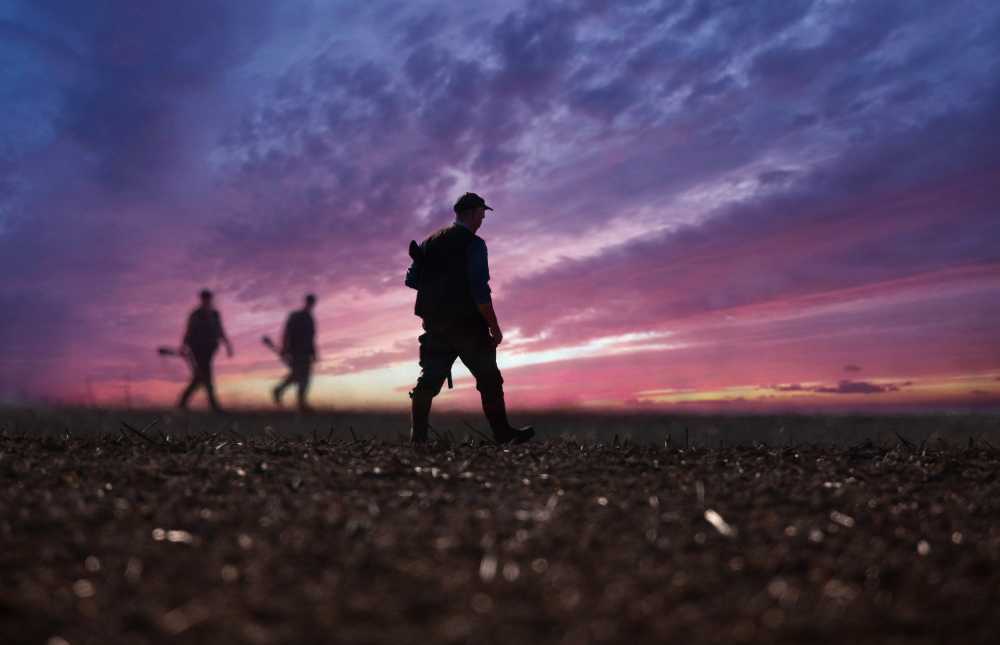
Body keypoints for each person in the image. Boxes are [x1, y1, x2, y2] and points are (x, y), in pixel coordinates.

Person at [405, 192, 534, 444]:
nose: (483, 219)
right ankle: (503, 434)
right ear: (474, 212)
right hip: (468, 327)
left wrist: (435, 280)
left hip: (435, 324)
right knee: (489, 380)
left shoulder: (428, 243)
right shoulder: (475, 244)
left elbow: (411, 280)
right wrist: (494, 326)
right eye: (482, 214)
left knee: (428, 381)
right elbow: (480, 290)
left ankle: (418, 438)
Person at [178, 289, 233, 411]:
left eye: (208, 298)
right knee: (206, 375)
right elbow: (189, 331)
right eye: (205, 298)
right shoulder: (196, 314)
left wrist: (228, 345)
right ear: (201, 299)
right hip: (197, 348)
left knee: (200, 377)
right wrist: (183, 346)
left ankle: (182, 403)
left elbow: (220, 330)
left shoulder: (215, 314)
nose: (207, 300)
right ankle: (214, 406)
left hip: (210, 348)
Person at [272, 294, 318, 412]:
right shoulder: (296, 316)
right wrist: (285, 348)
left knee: (299, 376)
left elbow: (311, 338)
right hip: (297, 350)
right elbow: (287, 332)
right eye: (310, 302)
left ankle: (279, 390)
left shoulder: (310, 319)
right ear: (307, 302)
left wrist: (314, 352)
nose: (311, 304)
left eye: (312, 302)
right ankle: (301, 404)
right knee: (302, 377)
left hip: (306, 351)